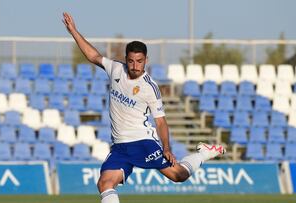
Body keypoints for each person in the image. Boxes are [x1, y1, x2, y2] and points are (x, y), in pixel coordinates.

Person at [62, 12, 225, 203]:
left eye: (139, 61)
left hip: (142, 141)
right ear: (126, 59)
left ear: (146, 60)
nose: (135, 65)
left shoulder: (150, 88)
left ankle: (204, 153)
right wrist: (74, 31)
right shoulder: (116, 68)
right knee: (104, 183)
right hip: (120, 146)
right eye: (131, 61)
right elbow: (94, 56)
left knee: (178, 176)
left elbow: (161, 121)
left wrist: (166, 147)